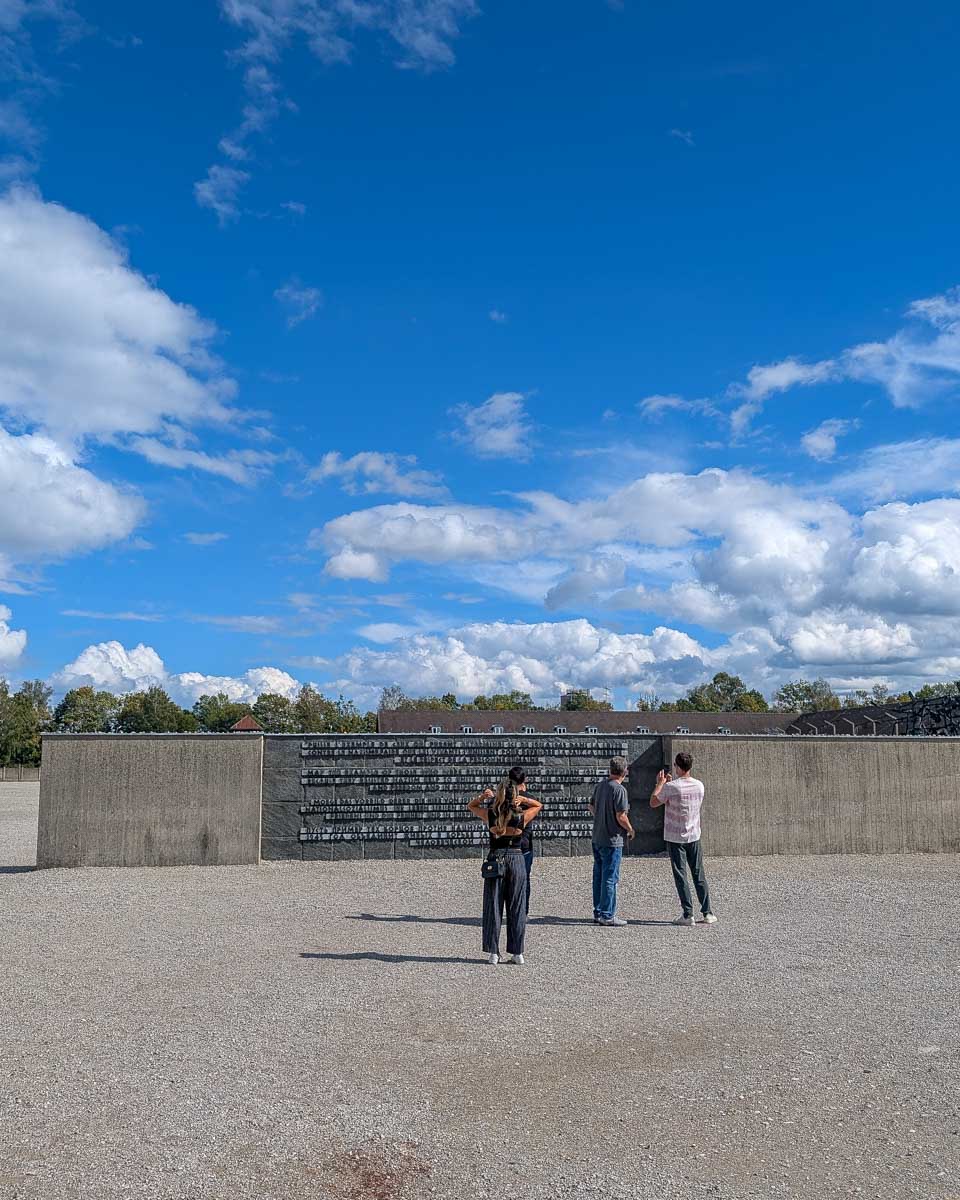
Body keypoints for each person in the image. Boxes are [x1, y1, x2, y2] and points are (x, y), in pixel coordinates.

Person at [467, 778, 542, 965]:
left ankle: (493, 952)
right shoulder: (520, 816)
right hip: (517, 858)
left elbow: (471, 806)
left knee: (493, 905)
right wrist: (524, 801)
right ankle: (517, 953)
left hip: (496, 859)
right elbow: (539, 805)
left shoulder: (492, 814)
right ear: (515, 796)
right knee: (517, 905)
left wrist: (483, 796)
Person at [650, 751, 717, 927]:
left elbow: (654, 802)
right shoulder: (699, 785)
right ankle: (708, 912)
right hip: (694, 834)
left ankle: (688, 914)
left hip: (675, 836)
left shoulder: (672, 787)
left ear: (678, 767)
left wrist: (660, 783)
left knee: (681, 875)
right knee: (698, 873)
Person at [589, 755, 634, 927]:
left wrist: (600, 818)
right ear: (625, 771)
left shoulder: (600, 786)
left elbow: (591, 806)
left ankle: (598, 911)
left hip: (598, 837)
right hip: (612, 839)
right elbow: (621, 815)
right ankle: (608, 915)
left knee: (598, 875)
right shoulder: (620, 790)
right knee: (610, 877)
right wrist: (630, 829)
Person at [507, 765, 538, 914]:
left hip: (505, 845)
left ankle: (510, 910)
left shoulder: (503, 797)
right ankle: (522, 912)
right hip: (524, 846)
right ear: (524, 780)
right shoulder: (529, 799)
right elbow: (538, 806)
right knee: (524, 880)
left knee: (507, 881)